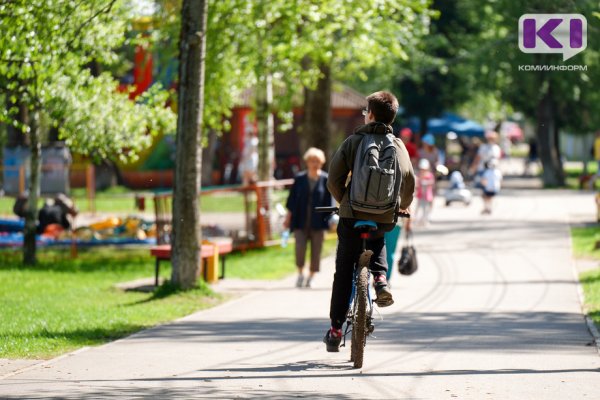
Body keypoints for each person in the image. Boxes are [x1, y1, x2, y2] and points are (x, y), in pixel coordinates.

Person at [324, 91, 415, 352]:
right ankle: (380, 279)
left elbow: (333, 180)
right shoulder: (398, 146)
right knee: (379, 239)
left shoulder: (354, 141)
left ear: (371, 114)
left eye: (366, 111)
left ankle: (335, 329)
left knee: (343, 271)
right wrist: (403, 205)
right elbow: (409, 181)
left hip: (352, 217)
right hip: (385, 217)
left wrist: (345, 202)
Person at [284, 147, 332, 288]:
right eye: (311, 161)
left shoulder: (325, 179)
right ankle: (300, 274)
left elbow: (329, 203)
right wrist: (288, 218)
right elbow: (291, 201)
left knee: (316, 251)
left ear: (321, 162)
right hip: (300, 221)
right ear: (307, 162)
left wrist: (330, 220)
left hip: (319, 223)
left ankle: (311, 276)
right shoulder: (299, 179)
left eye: (317, 161)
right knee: (299, 249)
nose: (314, 163)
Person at [414, 158, 435, 226]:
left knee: (426, 209)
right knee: (418, 208)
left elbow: (432, 182)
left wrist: (426, 182)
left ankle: (425, 220)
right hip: (420, 195)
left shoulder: (429, 175)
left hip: (427, 196)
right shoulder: (419, 175)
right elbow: (417, 183)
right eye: (422, 169)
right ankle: (417, 221)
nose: (423, 170)